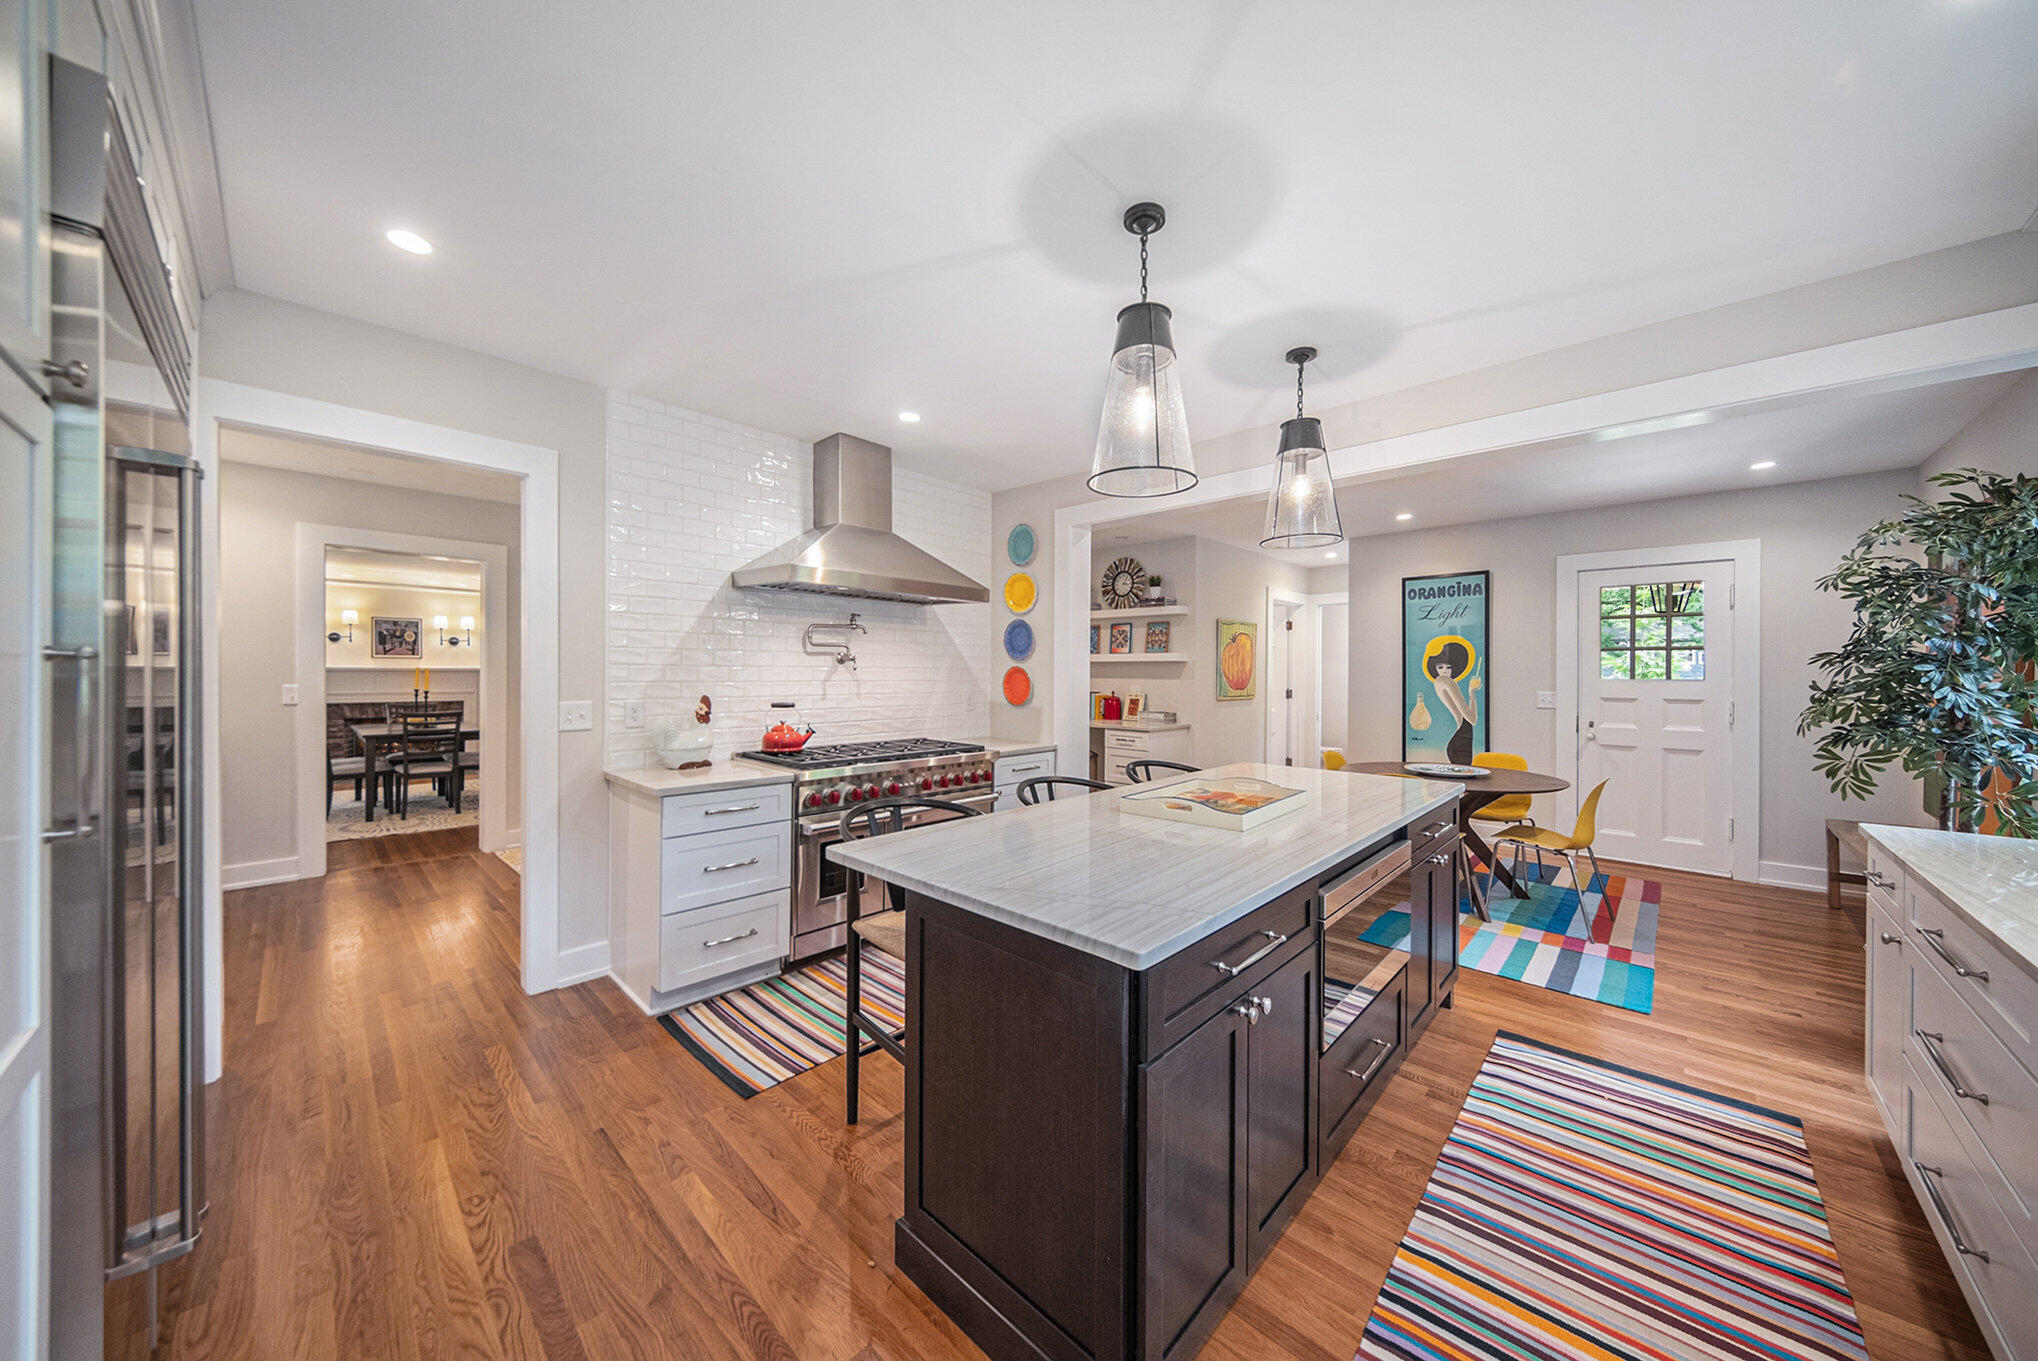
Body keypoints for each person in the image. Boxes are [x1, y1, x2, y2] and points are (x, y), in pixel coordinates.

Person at [1425, 640, 1481, 766]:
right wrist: (1472, 692)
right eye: (1440, 667)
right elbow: (1472, 719)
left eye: (1448, 667)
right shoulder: (1446, 681)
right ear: (1434, 668)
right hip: (1460, 740)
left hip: (1460, 738)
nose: (1445, 671)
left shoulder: (1439, 682)